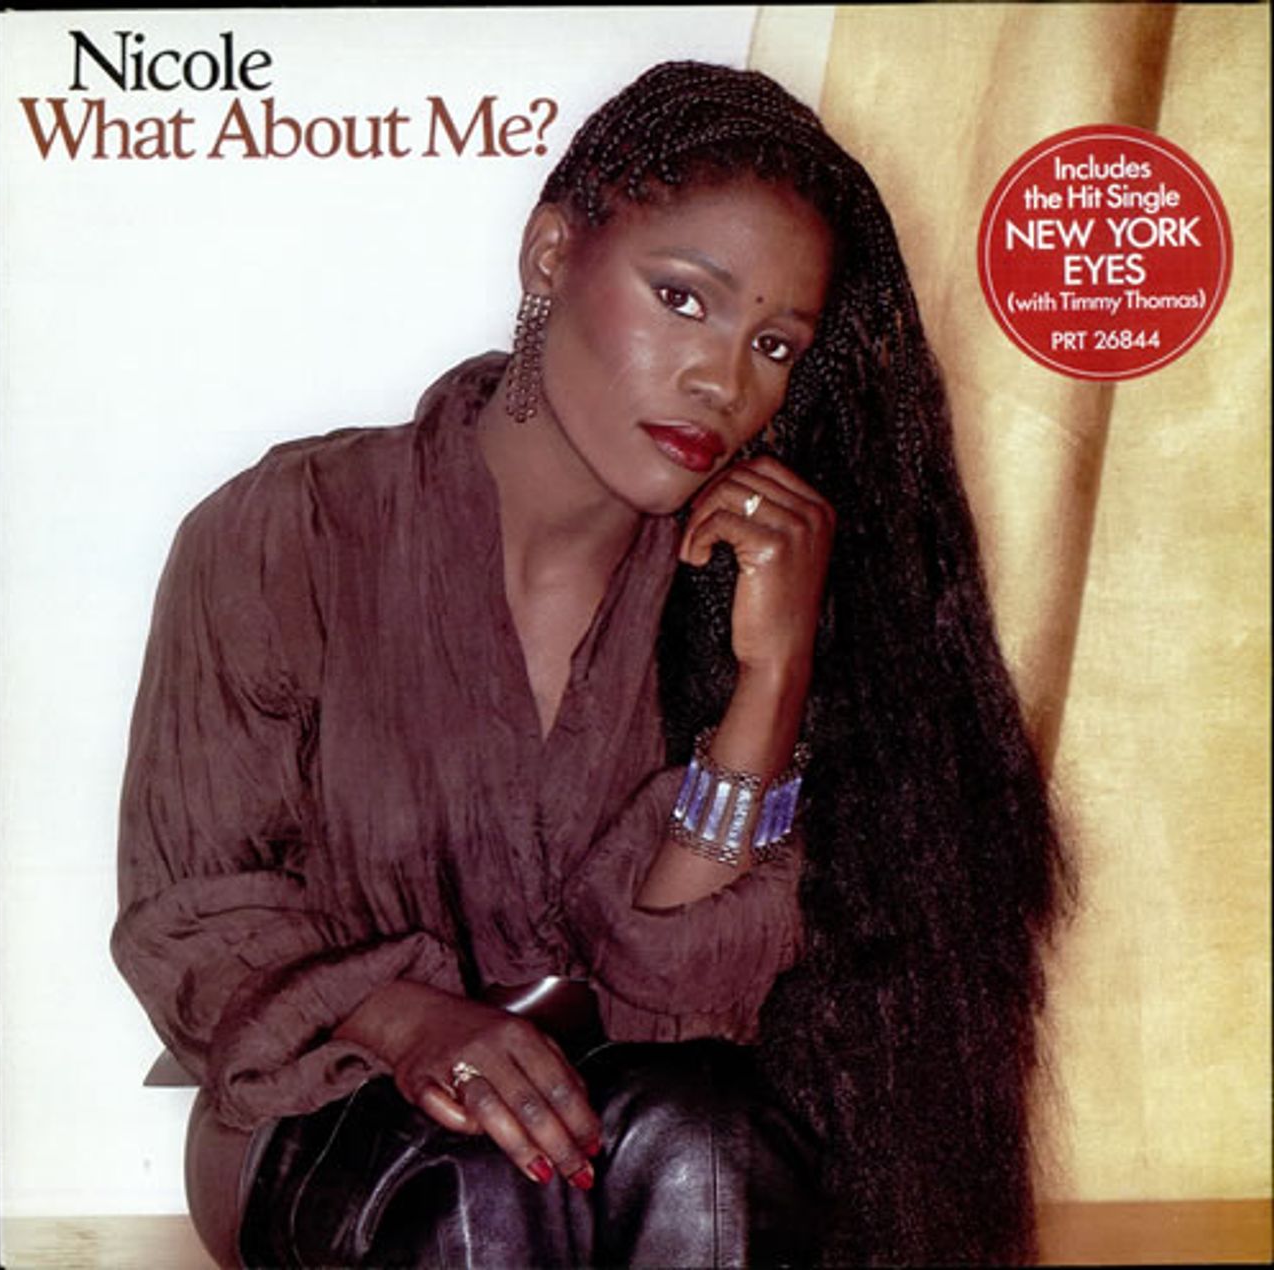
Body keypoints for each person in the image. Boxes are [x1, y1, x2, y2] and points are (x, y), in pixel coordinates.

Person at [114, 61, 1067, 1267]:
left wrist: (768, 683)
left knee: (711, 1149)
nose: (723, 380)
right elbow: (193, 913)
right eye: (681, 298)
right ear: (551, 255)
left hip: (625, 1115)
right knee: (481, 1188)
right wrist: (413, 1022)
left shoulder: (739, 586)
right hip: (329, 1106)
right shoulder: (290, 530)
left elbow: (680, 1001)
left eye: (774, 343)